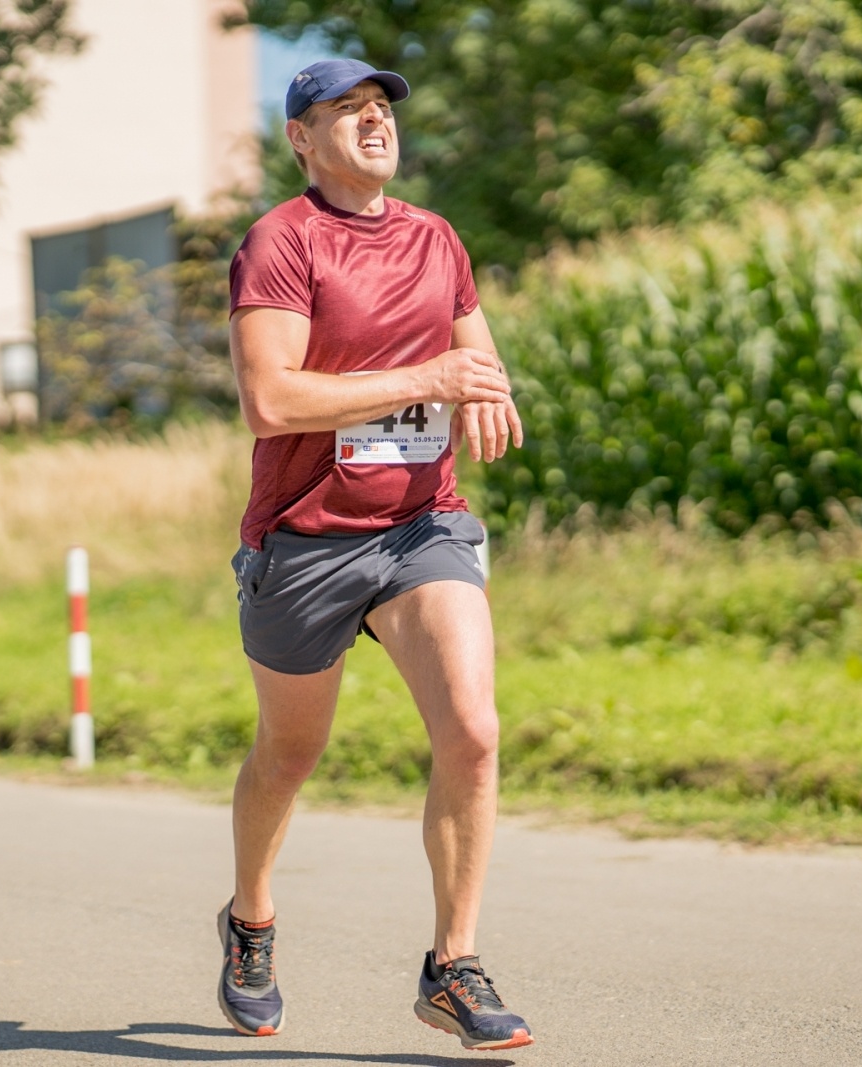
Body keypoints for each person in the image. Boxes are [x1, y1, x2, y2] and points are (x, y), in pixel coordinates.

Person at [215, 58, 534, 1053]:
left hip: (418, 527)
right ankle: (251, 919)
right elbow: (272, 400)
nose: (372, 123)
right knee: (289, 752)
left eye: (380, 109)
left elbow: (471, 354)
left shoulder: (436, 238)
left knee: (473, 732)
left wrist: (485, 386)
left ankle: (453, 964)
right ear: (301, 140)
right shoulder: (281, 241)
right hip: (306, 541)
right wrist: (429, 372)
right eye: (343, 112)